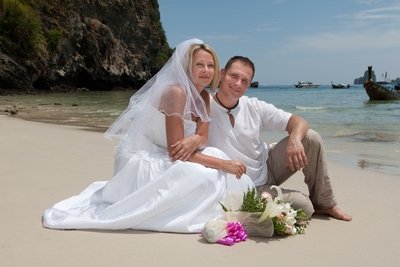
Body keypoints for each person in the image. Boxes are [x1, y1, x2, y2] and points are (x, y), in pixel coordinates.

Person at [43, 39, 254, 232]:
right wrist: (222, 165)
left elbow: (204, 137)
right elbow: (176, 152)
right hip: (144, 157)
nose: (206, 70)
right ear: (187, 66)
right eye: (200, 64)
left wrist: (196, 139)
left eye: (210, 65)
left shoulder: (205, 96)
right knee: (204, 173)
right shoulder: (176, 93)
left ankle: (223, 203)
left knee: (217, 153)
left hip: (171, 153)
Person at [208, 56, 352, 221]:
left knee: (311, 138)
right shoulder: (204, 106)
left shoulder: (253, 105)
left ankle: (325, 203)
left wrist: (294, 140)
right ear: (222, 74)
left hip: (267, 167)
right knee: (305, 208)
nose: (238, 83)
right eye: (234, 76)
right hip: (241, 185)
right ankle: (272, 199)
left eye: (245, 81)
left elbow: (298, 121)